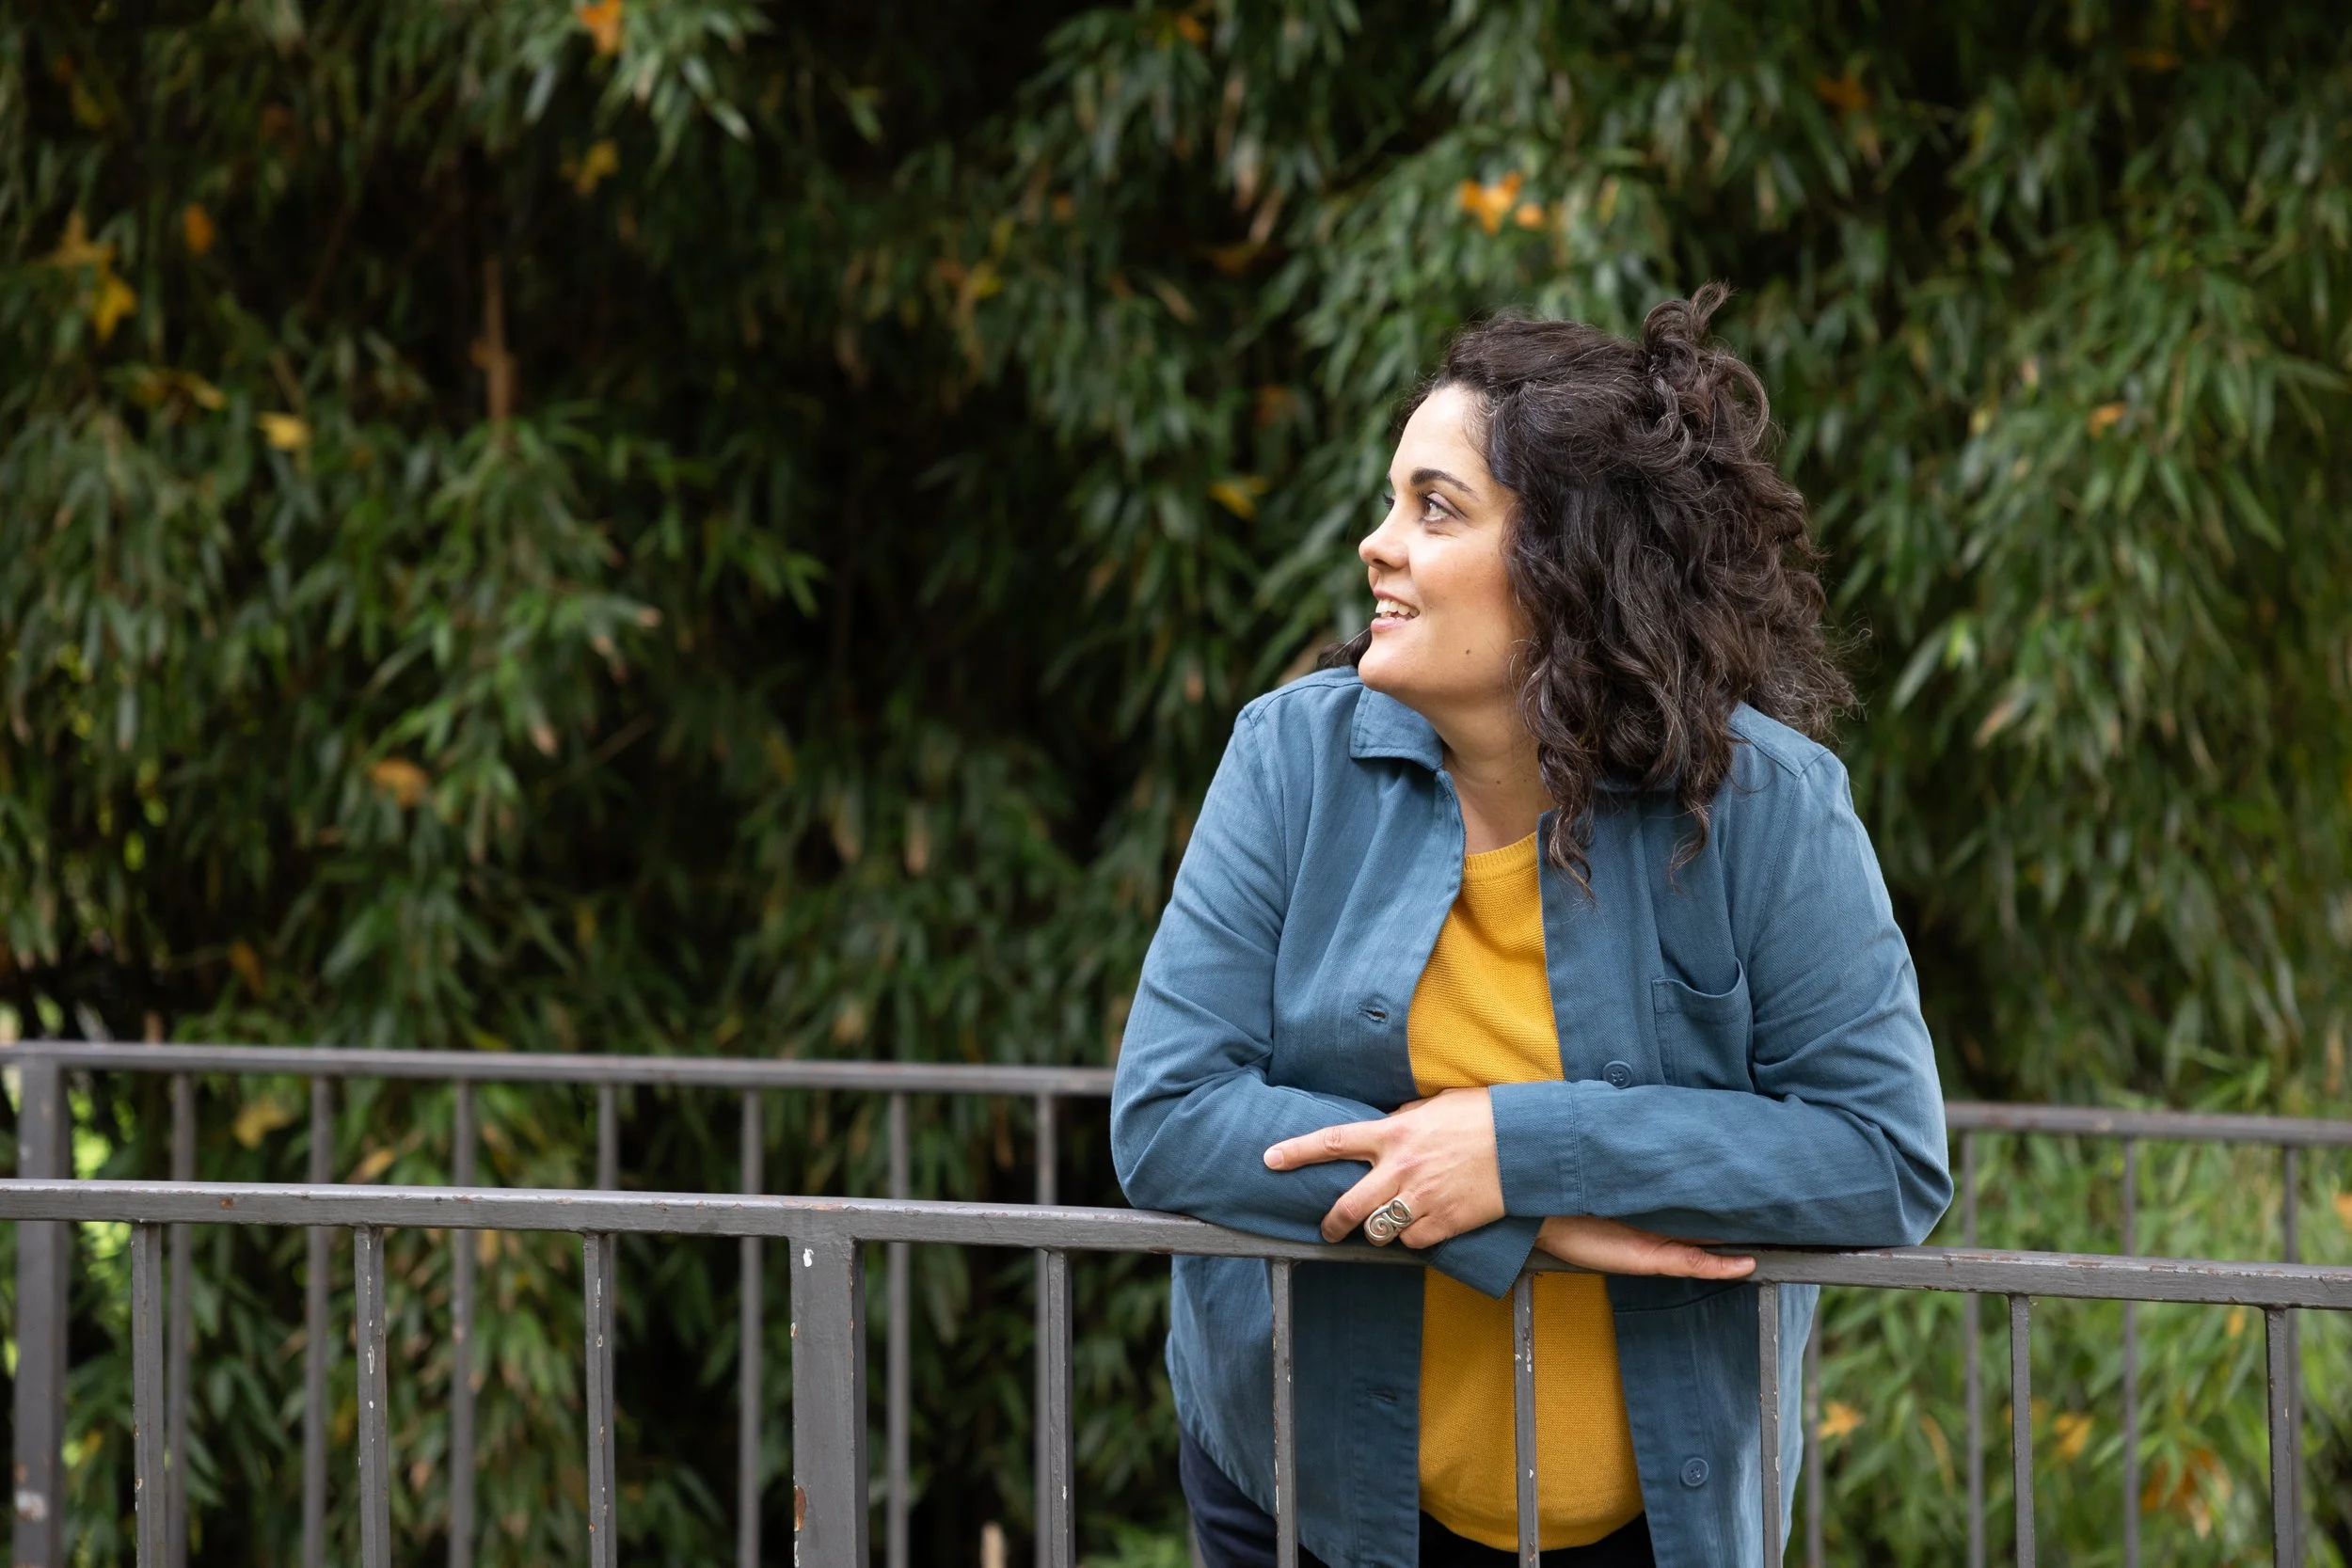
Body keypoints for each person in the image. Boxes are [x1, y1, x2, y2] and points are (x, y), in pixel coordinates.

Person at [1109, 286, 1951, 1567]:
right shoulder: (1289, 760)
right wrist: (1507, 1209)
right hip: (1307, 1497)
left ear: (1570, 566)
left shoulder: (1768, 805)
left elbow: (1883, 1155)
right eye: (1390, 502)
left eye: (1434, 508)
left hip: (1659, 1523)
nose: (1377, 545)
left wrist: (1525, 1146)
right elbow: (1171, 1113)